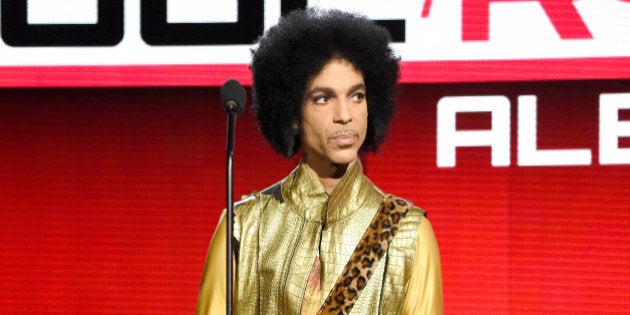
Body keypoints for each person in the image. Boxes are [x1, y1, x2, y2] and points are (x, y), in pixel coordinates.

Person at [196, 8, 442, 315]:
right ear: (292, 114)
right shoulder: (243, 228)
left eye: (357, 96)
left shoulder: (407, 231)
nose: (345, 115)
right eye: (323, 98)